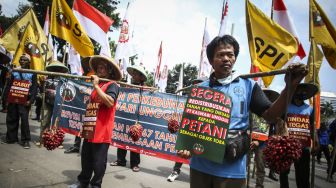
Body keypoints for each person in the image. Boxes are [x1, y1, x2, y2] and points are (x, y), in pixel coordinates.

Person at [177, 35, 308, 188]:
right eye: (220, 55)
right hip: (200, 167)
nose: (226, 58)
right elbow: (189, 126)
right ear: (211, 61)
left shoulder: (248, 86)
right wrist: (185, 148)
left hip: (232, 170)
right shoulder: (200, 89)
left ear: (235, 58)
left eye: (230, 54)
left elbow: (271, 116)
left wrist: (290, 88)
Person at [70, 55, 121, 188]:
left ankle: (95, 185)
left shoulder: (112, 85)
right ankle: (83, 182)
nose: (100, 67)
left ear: (110, 70)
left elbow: (110, 102)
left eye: (103, 66)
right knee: (86, 158)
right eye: (99, 66)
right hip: (90, 128)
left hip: (102, 131)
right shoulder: (99, 84)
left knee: (98, 162)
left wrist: (96, 86)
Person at [167, 77, 207, 182]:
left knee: (201, 153)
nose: (197, 86)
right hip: (189, 129)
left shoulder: (209, 100)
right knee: (183, 150)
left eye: (199, 84)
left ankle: (200, 176)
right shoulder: (190, 98)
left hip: (204, 131)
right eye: (195, 84)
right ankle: (175, 171)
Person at [279, 83, 319, 188]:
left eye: (304, 91)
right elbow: (280, 124)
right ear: (294, 91)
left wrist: (315, 142)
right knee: (283, 173)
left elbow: (313, 127)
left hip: (303, 148)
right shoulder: (286, 107)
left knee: (303, 176)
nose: (302, 93)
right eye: (300, 90)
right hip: (287, 147)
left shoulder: (310, 109)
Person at [110, 64, 147, 172]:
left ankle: (135, 164)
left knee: (135, 140)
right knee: (122, 137)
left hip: (138, 117)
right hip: (125, 116)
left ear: (141, 77)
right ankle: (120, 160)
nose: (133, 76)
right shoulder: (127, 87)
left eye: (135, 74)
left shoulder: (145, 88)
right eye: (133, 74)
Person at [3, 53, 37, 149]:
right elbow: (9, 85)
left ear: (29, 62)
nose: (22, 61)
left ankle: (25, 140)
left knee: (24, 120)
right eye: (21, 59)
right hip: (13, 98)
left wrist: (31, 100)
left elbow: (34, 87)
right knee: (11, 117)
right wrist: (6, 99)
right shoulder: (14, 71)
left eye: (24, 60)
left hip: (25, 99)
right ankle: (11, 138)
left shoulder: (33, 72)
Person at [250, 89, 280, 188]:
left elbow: (273, 129)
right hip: (249, 140)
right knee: (243, 164)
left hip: (263, 143)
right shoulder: (252, 108)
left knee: (260, 166)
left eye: (267, 96)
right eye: (263, 95)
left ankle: (259, 185)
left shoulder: (272, 112)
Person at [35, 60, 69, 146]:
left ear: (61, 70)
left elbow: (66, 92)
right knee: (45, 121)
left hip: (59, 104)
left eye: (58, 69)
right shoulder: (46, 79)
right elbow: (41, 90)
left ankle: (57, 141)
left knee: (57, 122)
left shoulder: (64, 80)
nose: (56, 70)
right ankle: (42, 139)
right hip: (47, 103)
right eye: (54, 69)